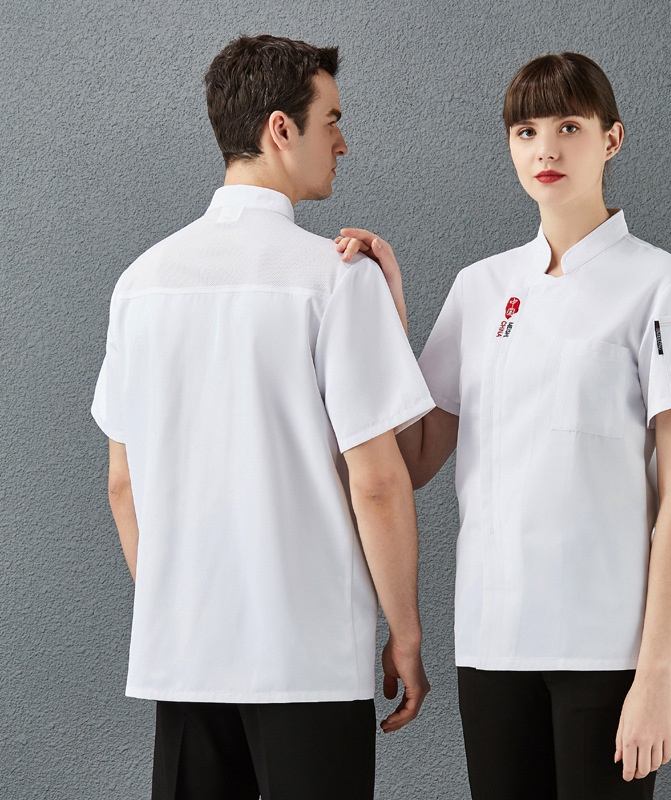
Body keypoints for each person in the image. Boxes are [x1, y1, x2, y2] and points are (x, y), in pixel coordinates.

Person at [335, 52, 671, 799]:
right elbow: (414, 458)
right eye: (526, 131)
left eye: (569, 127)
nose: (546, 149)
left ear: (611, 139)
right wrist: (387, 311)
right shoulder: (481, 288)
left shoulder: (666, 285)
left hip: (607, 649)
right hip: (492, 642)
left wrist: (656, 675)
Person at [91, 34, 434, 800]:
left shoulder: (139, 284)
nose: (342, 143)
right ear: (282, 128)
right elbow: (379, 482)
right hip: (307, 660)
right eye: (331, 120)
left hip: (184, 658)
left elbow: (123, 484)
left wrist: (179, 603)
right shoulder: (335, 279)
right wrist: (406, 634)